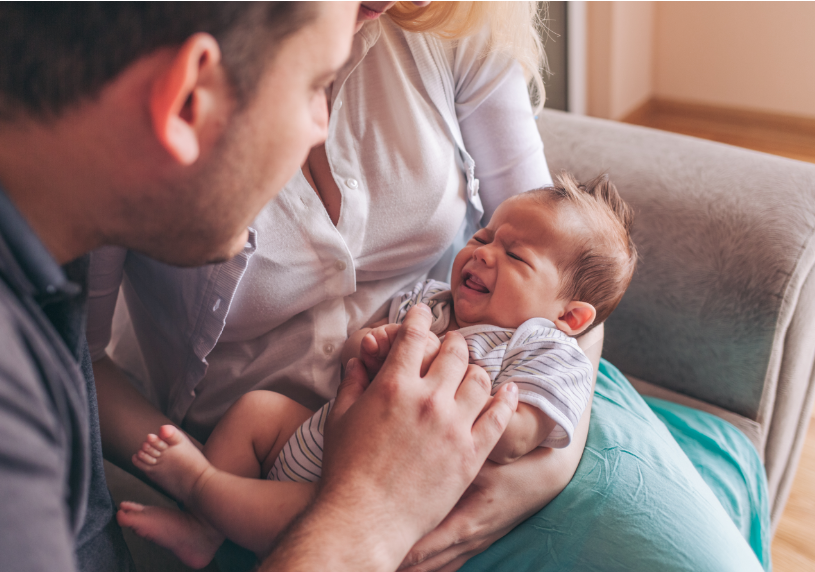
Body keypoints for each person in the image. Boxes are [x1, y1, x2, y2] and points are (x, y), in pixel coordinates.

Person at [0, 4, 513, 572]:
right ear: (188, 99)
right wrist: (373, 512)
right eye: (313, 89)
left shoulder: (6, 245)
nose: (322, 129)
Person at [89, 2, 598, 570]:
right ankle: (208, 516)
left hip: (449, 453)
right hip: (278, 443)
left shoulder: (454, 21)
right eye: (482, 237)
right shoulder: (138, 62)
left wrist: (536, 475)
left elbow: (566, 278)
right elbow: (78, 355)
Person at [115, 173, 637, 567]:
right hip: (325, 433)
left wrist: (473, 400)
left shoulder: (542, 346)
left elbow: (523, 435)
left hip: (378, 483)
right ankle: (202, 531)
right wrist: (372, 345)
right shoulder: (431, 302)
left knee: (306, 516)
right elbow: (352, 356)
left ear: (569, 316)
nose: (482, 255)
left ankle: (203, 486)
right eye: (482, 238)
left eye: (515, 256)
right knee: (257, 410)